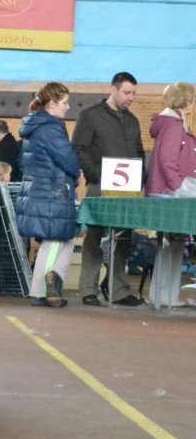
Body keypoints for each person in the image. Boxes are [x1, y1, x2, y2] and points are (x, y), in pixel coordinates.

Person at [72, 72, 146, 306]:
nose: (131, 97)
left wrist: (140, 177)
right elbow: (80, 149)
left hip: (127, 191)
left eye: (134, 93)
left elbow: (140, 152)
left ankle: (119, 290)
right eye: (127, 93)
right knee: (93, 238)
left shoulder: (133, 121)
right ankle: (88, 290)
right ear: (112, 90)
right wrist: (96, 175)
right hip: (99, 187)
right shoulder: (90, 116)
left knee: (123, 239)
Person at [16, 83, 82, 308]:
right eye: (64, 103)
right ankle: (43, 287)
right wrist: (77, 173)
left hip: (38, 190)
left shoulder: (33, 126)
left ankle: (47, 283)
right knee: (55, 239)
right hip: (53, 191)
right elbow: (68, 158)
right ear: (52, 104)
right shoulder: (51, 128)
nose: (67, 107)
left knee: (58, 239)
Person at [145, 82, 196, 308]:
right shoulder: (175, 126)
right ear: (186, 102)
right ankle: (162, 296)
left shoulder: (174, 124)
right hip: (170, 194)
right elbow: (168, 161)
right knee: (169, 243)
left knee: (173, 243)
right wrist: (180, 188)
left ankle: (167, 296)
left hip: (169, 192)